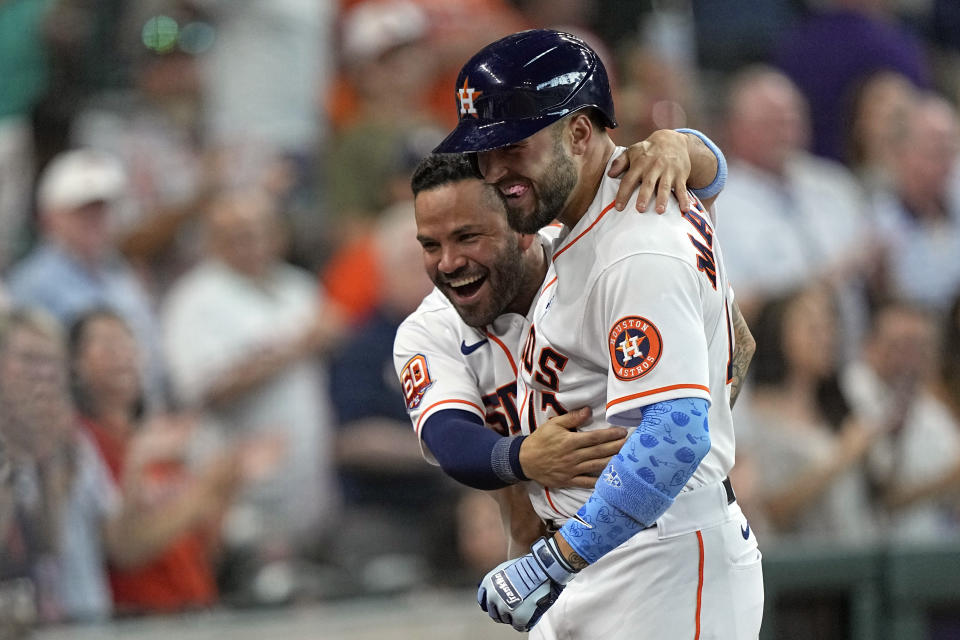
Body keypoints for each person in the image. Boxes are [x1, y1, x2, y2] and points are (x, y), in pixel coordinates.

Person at [433, 29, 762, 636]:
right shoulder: (606, 206)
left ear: (579, 132)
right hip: (614, 547)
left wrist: (553, 563)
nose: (494, 170)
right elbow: (736, 340)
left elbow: (676, 437)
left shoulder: (635, 245)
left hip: (655, 560)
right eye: (485, 151)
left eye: (514, 146)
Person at [396, 124, 734, 556]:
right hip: (555, 547)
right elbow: (449, 440)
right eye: (431, 245)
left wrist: (684, 143)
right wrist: (522, 459)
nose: (448, 262)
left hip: (662, 535)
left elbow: (695, 192)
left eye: (468, 237)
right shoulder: (429, 329)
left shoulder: (604, 256)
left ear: (523, 227)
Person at [161, 186, 343, 602]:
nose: (252, 240)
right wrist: (295, 347)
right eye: (236, 232)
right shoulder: (195, 299)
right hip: (239, 504)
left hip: (309, 493)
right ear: (213, 240)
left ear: (279, 234)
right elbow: (206, 390)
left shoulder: (300, 287)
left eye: (260, 229)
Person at [6, 148, 166, 409]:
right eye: (81, 211)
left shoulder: (120, 274)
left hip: (136, 416)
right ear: (49, 217)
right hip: (81, 423)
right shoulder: (31, 284)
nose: (95, 220)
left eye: (101, 209)